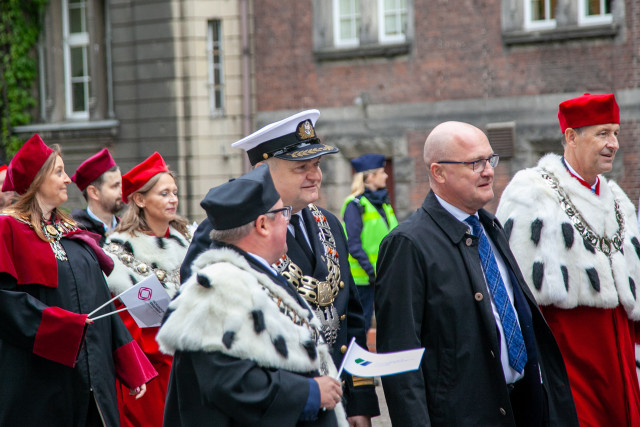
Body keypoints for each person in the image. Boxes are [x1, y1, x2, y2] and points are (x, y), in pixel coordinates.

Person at [182, 110, 380, 425]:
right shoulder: (224, 231)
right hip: (274, 408)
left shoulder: (329, 223)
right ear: (262, 171)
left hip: (333, 401)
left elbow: (350, 319)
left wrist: (358, 401)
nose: (315, 176)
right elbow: (218, 337)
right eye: (301, 167)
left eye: (316, 165)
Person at [374, 121, 578, 426]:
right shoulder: (408, 244)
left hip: (524, 405)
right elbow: (400, 360)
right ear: (438, 172)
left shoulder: (488, 227)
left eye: (489, 159)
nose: (488, 170)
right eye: (474, 163)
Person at [157, 164, 348, 426]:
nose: (288, 219)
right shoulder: (220, 287)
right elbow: (230, 383)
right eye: (284, 213)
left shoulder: (250, 275)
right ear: (262, 225)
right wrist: (311, 393)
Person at [496, 93, 640, 426]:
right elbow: (515, 298)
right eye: (602, 133)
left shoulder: (617, 197)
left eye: (615, 133)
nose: (613, 143)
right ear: (571, 136)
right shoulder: (531, 192)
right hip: (567, 361)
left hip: (619, 359)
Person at [0, 134, 157, 426]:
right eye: (58, 172)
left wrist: (130, 367)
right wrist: (62, 326)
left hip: (92, 377)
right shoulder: (7, 228)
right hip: (40, 381)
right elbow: (5, 303)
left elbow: (103, 304)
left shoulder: (73, 233)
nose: (68, 179)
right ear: (37, 179)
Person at [103, 152, 192, 427]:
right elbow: (125, 327)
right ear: (140, 200)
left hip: (195, 365)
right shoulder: (118, 252)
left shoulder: (190, 241)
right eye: (164, 193)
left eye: (174, 192)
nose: (173, 199)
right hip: (151, 374)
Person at [340, 153, 398, 332]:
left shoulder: (384, 204)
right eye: (382, 172)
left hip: (384, 276)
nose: (386, 175)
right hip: (364, 280)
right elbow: (353, 245)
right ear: (370, 177)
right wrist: (372, 272)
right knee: (361, 327)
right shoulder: (354, 205)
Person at [71, 148, 123, 245]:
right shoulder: (77, 235)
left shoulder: (127, 230)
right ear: (94, 192)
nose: (121, 191)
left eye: (121, 185)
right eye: (115, 186)